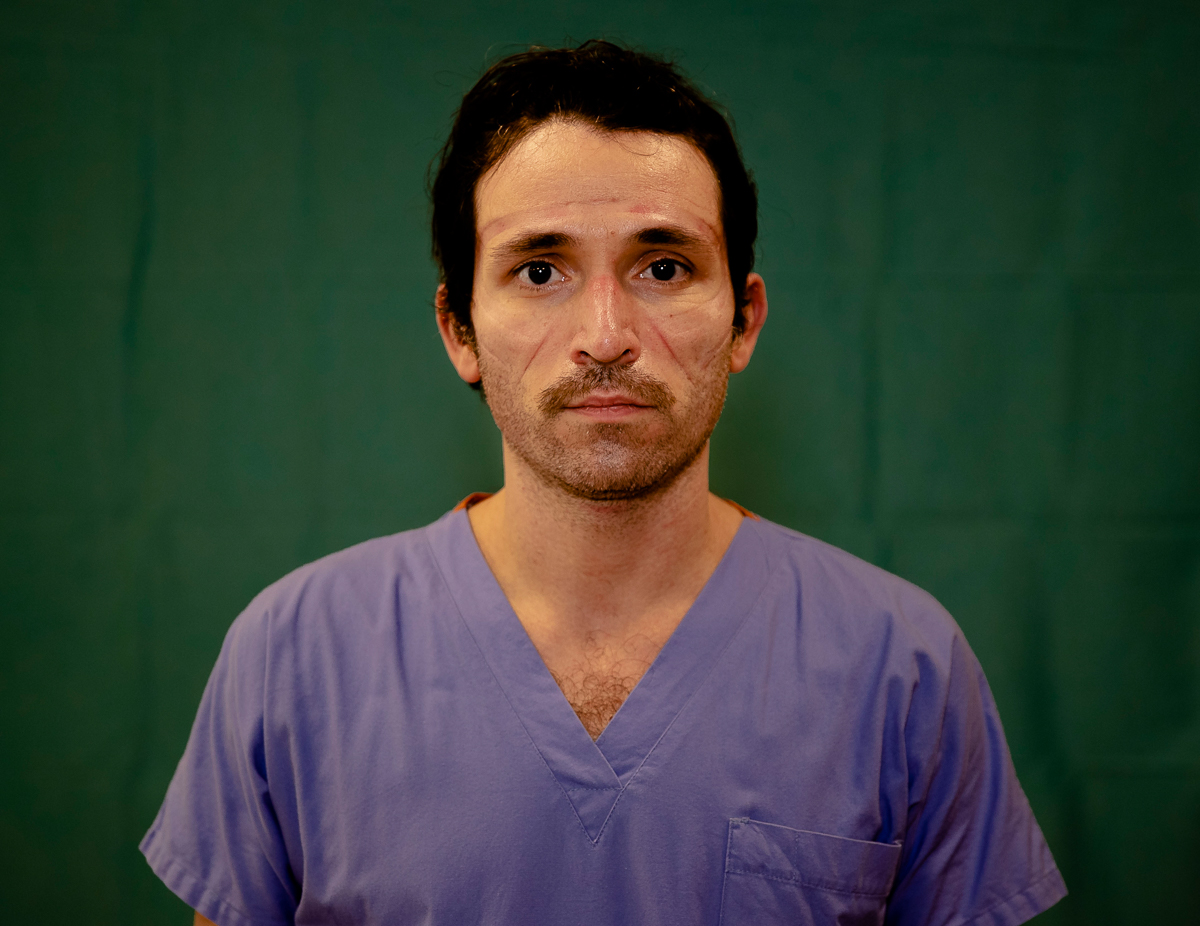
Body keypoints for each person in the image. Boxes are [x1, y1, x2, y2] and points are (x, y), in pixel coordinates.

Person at [142, 41, 1067, 926]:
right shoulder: (292, 655)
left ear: (743, 319)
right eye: (539, 270)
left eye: (663, 267)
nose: (606, 333)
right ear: (459, 328)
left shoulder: (901, 664)